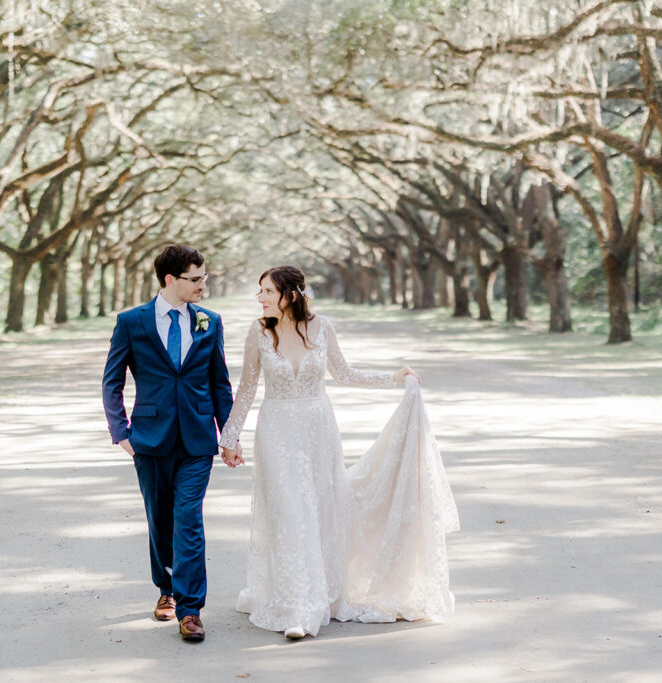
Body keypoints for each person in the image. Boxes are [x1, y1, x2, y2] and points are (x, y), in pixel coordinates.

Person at [218, 265, 459, 640]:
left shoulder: (322, 327)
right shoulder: (258, 332)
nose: (259, 297)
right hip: (277, 431)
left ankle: (323, 592)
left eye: (266, 290)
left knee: (319, 511)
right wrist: (229, 437)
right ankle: (299, 606)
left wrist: (394, 378)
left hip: (318, 432)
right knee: (290, 513)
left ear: (290, 294)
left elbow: (344, 374)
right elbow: (247, 388)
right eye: (259, 290)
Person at [102, 244, 239, 642]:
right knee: (159, 520)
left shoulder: (209, 322)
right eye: (195, 279)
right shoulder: (132, 322)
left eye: (204, 278)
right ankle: (165, 589)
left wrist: (228, 435)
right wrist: (121, 433)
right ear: (170, 280)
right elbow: (112, 381)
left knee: (188, 521)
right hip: (149, 438)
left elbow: (219, 384)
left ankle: (191, 609)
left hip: (198, 440)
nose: (203, 285)